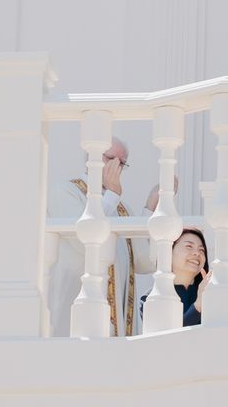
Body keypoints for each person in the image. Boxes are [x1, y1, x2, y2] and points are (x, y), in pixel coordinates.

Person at [47, 137, 160, 337]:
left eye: (121, 163)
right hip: (76, 303)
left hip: (117, 311)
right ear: (91, 157)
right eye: (111, 159)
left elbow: (143, 261)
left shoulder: (121, 207)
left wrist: (150, 207)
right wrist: (113, 194)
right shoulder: (67, 191)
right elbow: (85, 241)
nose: (116, 167)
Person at [141, 227, 207, 327]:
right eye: (189, 246)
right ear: (169, 252)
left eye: (201, 250)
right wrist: (198, 306)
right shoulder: (150, 297)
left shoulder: (209, 294)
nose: (197, 253)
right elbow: (167, 334)